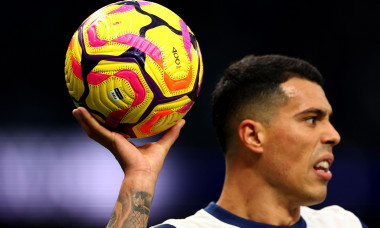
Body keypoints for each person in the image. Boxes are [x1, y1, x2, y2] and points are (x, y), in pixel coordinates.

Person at [72, 54, 368, 228]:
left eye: (328, 119)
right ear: (253, 136)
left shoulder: (343, 224)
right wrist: (139, 178)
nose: (334, 135)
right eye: (311, 119)